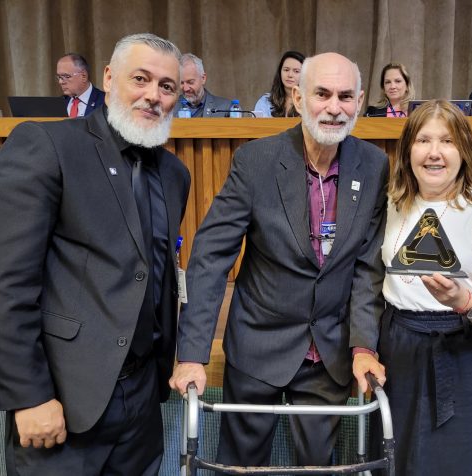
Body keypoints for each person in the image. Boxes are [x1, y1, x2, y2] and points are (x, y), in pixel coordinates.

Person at [0, 33, 191, 474]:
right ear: (108, 78)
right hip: (61, 402)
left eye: (167, 86)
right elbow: (0, 282)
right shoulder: (48, 145)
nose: (154, 95)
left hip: (142, 404)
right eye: (141, 79)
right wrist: (28, 395)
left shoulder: (174, 174)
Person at [170, 52, 388, 468]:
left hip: (330, 351)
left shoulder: (374, 166)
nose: (334, 107)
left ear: (359, 102)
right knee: (241, 467)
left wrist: (364, 346)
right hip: (258, 344)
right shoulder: (257, 161)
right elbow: (211, 257)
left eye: (345, 96)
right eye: (322, 94)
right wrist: (192, 355)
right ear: (298, 97)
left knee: (319, 468)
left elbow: (368, 267)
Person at [376, 99, 472, 475]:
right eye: (423, 140)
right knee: (399, 461)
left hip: (466, 353)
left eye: (447, 141)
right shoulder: (390, 206)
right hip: (399, 352)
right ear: (407, 150)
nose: (434, 152)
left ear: (465, 151)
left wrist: (464, 301)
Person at [253, 50, 306, 117]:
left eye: (296, 71)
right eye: (286, 70)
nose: (290, 75)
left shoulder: (311, 103)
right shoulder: (265, 102)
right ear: (280, 72)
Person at [179, 53, 232, 117]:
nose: (185, 88)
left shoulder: (226, 108)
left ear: (203, 78)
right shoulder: (170, 107)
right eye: (181, 83)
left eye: (190, 82)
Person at [56, 53, 104, 117]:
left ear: (83, 76)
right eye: (59, 77)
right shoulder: (59, 103)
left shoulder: (105, 102)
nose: (60, 82)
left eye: (66, 76)